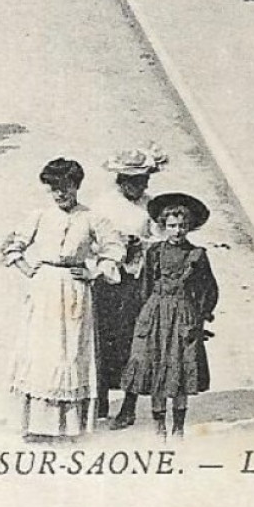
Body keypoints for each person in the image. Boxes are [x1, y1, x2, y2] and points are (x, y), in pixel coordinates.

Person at [0, 159, 123, 442]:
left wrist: (93, 272)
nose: (59, 194)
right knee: (40, 350)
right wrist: (30, 270)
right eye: (54, 188)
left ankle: (66, 428)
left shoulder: (92, 218)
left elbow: (115, 249)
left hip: (74, 292)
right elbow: (13, 245)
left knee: (69, 352)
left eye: (65, 187)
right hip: (44, 291)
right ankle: (34, 426)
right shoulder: (40, 216)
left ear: (76, 186)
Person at [121, 192, 218, 439]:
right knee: (156, 367)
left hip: (183, 314)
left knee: (181, 369)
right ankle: (159, 426)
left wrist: (201, 315)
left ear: (189, 227)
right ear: (163, 226)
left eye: (182, 226)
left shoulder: (197, 254)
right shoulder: (154, 252)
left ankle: (178, 427)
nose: (177, 231)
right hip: (155, 313)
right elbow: (145, 285)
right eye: (172, 226)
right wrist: (146, 312)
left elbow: (209, 288)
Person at [94, 147, 166, 429]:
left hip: (137, 283)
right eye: (133, 180)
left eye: (143, 180)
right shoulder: (103, 205)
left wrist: (141, 244)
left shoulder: (151, 207)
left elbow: (159, 240)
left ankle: (129, 405)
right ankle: (98, 401)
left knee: (134, 344)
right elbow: (92, 238)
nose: (140, 185)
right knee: (101, 339)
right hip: (107, 280)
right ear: (121, 179)